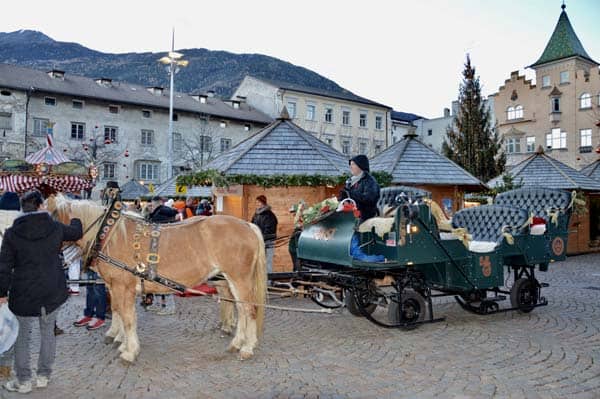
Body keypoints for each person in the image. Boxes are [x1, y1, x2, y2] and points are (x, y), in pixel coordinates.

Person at [0, 190, 83, 393]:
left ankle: (24, 381)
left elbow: (4, 266)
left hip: (23, 292)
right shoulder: (54, 228)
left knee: (22, 338)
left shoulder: (12, 233)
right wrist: (75, 217)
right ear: (40, 206)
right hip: (51, 290)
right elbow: (76, 232)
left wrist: (1, 293)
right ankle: (43, 376)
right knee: (48, 334)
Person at [338, 154, 380, 222]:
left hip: (366, 217)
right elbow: (347, 197)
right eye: (350, 165)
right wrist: (342, 197)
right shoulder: (350, 180)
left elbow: (369, 199)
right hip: (351, 215)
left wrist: (350, 193)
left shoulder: (370, 181)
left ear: (361, 165)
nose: (350, 167)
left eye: (353, 164)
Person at [251, 195, 278, 274]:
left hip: (268, 242)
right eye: (256, 202)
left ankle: (268, 281)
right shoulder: (256, 214)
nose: (257, 204)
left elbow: (270, 230)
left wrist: (261, 237)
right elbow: (252, 225)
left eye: (259, 202)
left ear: (263, 203)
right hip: (258, 241)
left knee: (267, 262)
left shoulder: (270, 215)